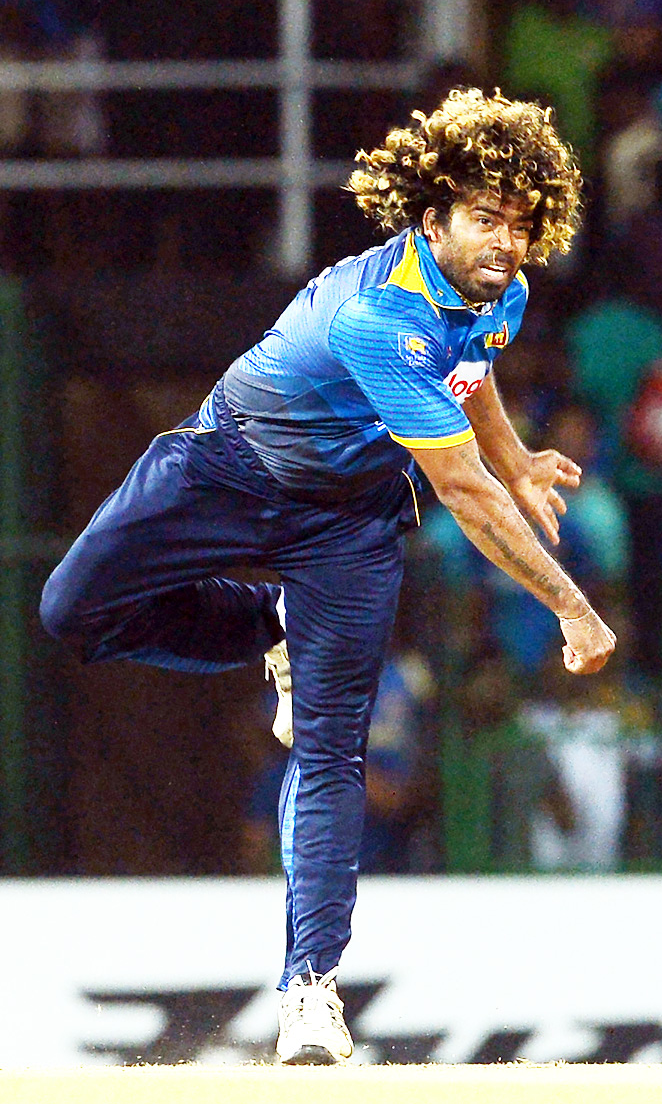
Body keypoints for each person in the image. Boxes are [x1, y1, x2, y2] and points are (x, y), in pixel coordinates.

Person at [39, 87, 616, 1065]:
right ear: (431, 220)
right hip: (227, 464)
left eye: (521, 224)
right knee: (72, 612)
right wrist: (571, 604)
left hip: (347, 524)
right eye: (485, 218)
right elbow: (465, 497)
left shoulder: (495, 292)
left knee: (332, 746)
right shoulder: (376, 319)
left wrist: (516, 456)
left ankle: (310, 990)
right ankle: (274, 629)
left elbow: (470, 372)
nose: (508, 242)